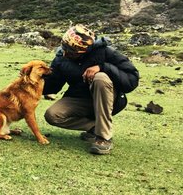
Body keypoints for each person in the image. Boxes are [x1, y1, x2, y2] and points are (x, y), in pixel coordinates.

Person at [43, 24, 139, 155]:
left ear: (82, 51)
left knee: (100, 78)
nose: (65, 52)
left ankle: (104, 138)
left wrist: (102, 67)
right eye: (64, 47)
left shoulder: (105, 52)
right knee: (52, 115)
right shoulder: (61, 58)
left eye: (70, 51)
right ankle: (94, 127)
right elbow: (53, 85)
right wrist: (33, 80)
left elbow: (131, 80)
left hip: (109, 99)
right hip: (80, 99)